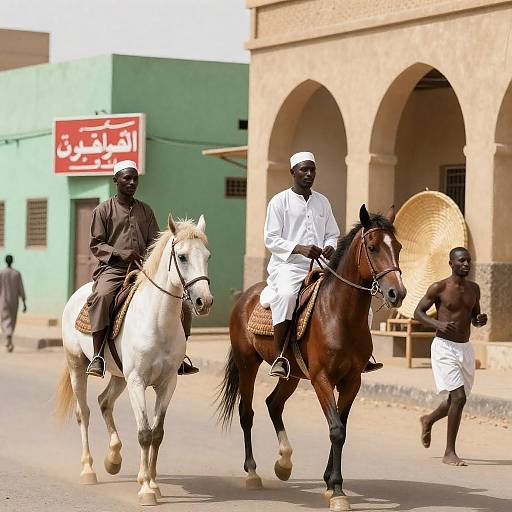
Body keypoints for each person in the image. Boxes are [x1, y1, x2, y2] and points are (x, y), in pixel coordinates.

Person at [261, 151, 383, 378]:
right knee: (287, 296)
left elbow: (332, 233)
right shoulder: (279, 202)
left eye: (312, 169)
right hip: (289, 266)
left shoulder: (322, 201)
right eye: (303, 169)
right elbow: (271, 238)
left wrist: (329, 246)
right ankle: (280, 357)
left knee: (358, 296)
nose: (308, 174)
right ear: (293, 172)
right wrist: (300, 248)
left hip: (323, 265)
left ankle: (363, 354)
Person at [86, 159, 198, 378]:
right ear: (115, 180)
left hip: (143, 269)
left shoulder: (145, 210)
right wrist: (120, 253)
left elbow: (155, 245)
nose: (131, 182)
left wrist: (152, 262)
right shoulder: (103, 210)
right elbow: (96, 244)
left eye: (135, 178)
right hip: (114, 270)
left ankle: (179, 357)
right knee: (102, 296)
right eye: (126, 178)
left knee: (182, 305)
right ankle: (98, 355)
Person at [414, 247, 487, 466]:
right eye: (462, 260)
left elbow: (475, 316)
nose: (466, 264)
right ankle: (449, 452)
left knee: (455, 399)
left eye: (469, 261)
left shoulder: (474, 289)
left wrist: (479, 320)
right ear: (451, 264)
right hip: (444, 348)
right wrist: (438, 324)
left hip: (465, 348)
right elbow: (418, 312)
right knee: (459, 398)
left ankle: (428, 420)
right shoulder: (439, 287)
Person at [0, 254, 26, 352]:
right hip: (14, 301)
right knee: (12, 318)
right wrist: (24, 301)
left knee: (5, 319)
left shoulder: (2, 273)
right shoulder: (16, 273)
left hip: (3, 300)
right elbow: (21, 288)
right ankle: (9, 337)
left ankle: (8, 337)